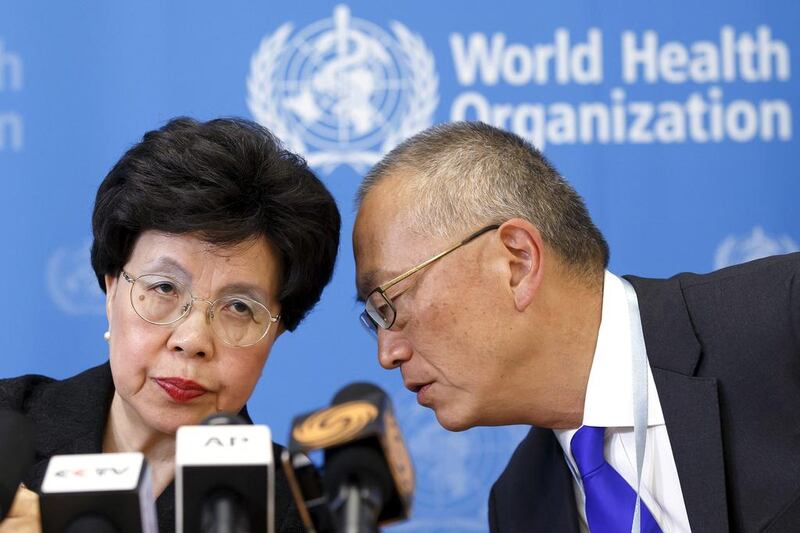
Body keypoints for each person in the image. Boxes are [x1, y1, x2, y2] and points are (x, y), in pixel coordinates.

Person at [352, 121, 800, 532]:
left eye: (388, 304)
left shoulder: (782, 319)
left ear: (516, 263)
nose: (387, 354)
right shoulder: (519, 506)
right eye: (373, 321)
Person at [0, 117, 341, 533]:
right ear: (111, 291)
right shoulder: (8, 426)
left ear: (277, 330)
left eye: (238, 307)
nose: (193, 340)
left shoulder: (300, 512)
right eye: (164, 287)